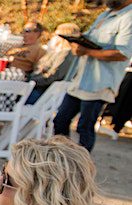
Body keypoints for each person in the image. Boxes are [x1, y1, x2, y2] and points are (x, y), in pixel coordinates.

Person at [53, 0, 132, 152]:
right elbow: (88, 39)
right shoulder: (104, 15)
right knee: (60, 120)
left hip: (100, 83)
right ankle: (63, 158)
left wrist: (88, 52)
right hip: (80, 79)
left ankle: (81, 168)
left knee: (84, 127)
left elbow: (122, 53)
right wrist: (76, 43)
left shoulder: (128, 17)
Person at [25, 23, 81, 104]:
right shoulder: (58, 52)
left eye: (56, 36)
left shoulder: (66, 55)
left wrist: (30, 80)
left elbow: (52, 77)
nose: (53, 38)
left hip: (44, 93)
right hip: (40, 88)